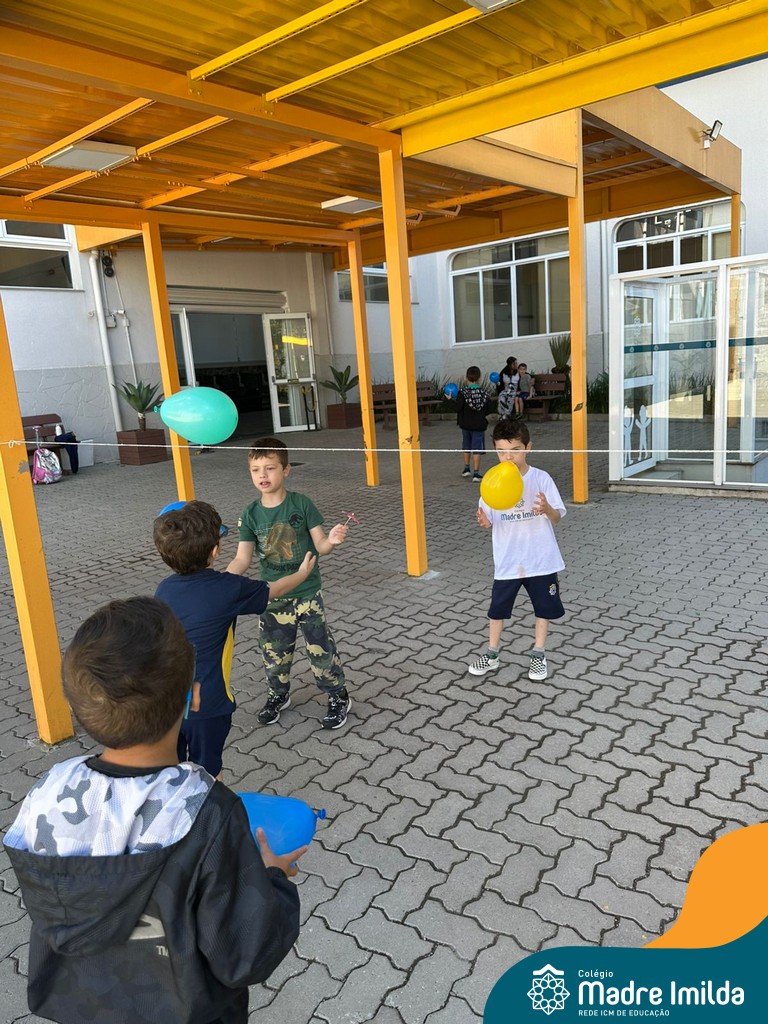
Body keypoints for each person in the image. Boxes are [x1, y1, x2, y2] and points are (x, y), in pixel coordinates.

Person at [3, 597, 305, 1024]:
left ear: (78, 709)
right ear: (193, 697)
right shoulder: (210, 814)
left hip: (82, 1010)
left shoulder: (47, 794)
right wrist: (274, 880)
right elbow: (244, 955)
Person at [153, 500, 315, 777]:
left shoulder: (164, 590)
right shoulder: (229, 589)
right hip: (208, 705)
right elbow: (274, 590)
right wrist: (302, 574)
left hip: (167, 705)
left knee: (171, 772)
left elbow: (218, 583)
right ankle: (209, 803)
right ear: (215, 550)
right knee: (208, 774)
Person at [227, 437, 351, 730]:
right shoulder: (250, 514)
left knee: (320, 648)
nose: (263, 475)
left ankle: (338, 695)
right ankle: (278, 694)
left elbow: (320, 546)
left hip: (307, 593)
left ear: (286, 470)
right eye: (255, 470)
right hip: (273, 595)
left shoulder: (302, 504)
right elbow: (242, 558)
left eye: (270, 468)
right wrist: (224, 581)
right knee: (273, 651)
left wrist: (331, 541)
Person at [468, 417, 566, 682]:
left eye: (515, 450)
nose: (508, 457)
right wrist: (484, 522)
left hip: (541, 559)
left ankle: (538, 654)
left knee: (543, 608)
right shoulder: (492, 482)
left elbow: (557, 517)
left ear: (528, 447)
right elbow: (488, 519)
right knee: (497, 610)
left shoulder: (541, 479)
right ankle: (492, 654)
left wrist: (547, 509)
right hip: (508, 560)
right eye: (501, 451)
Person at [450, 365, 491, 483]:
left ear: (466, 378)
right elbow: (489, 409)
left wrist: (449, 400)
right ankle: (476, 473)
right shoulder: (484, 393)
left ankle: (466, 468)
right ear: (479, 378)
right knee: (477, 448)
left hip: (465, 424)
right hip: (479, 425)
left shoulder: (462, 393)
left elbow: (457, 408)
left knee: (466, 446)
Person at [496, 356, 519, 420]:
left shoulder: (518, 371)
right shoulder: (504, 372)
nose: (516, 365)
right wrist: (499, 391)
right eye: (514, 363)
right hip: (505, 390)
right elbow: (499, 383)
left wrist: (519, 390)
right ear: (510, 364)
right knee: (501, 399)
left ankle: (506, 415)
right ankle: (502, 415)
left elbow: (525, 376)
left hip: (513, 391)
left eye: (516, 363)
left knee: (510, 401)